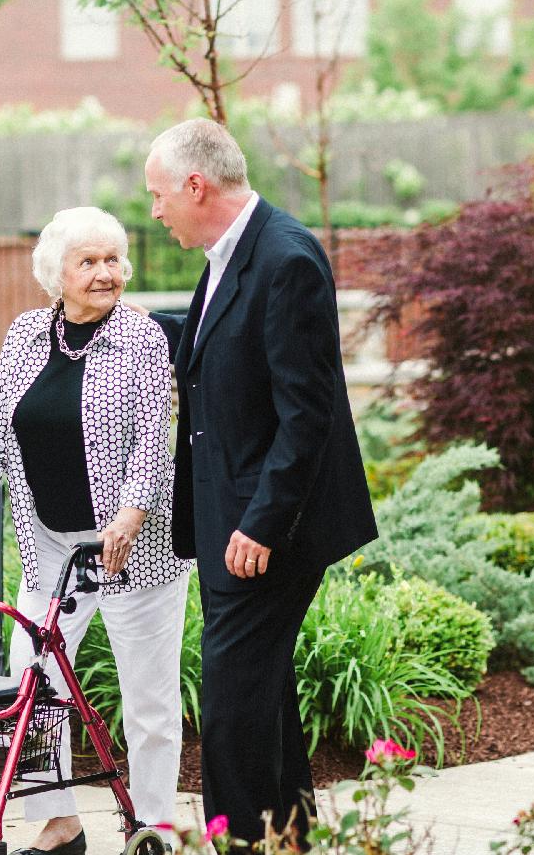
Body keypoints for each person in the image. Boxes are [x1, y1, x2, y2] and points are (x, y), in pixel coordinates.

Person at [0, 206, 188, 855]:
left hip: (136, 549)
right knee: (29, 681)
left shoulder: (142, 337)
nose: (105, 273)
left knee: (147, 699)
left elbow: (154, 440)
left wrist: (130, 514)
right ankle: (60, 821)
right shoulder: (24, 335)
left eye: (113, 260)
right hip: (52, 551)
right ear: (56, 275)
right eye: (88, 262)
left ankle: (150, 824)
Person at [143, 118, 378, 847]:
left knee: (232, 707)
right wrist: (128, 322)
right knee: (261, 692)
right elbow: (225, 339)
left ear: (195, 184)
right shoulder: (229, 253)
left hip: (268, 529)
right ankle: (291, 839)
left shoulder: (287, 257)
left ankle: (240, 842)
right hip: (229, 518)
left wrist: (262, 524)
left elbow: (307, 416)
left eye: (158, 196)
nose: (155, 212)